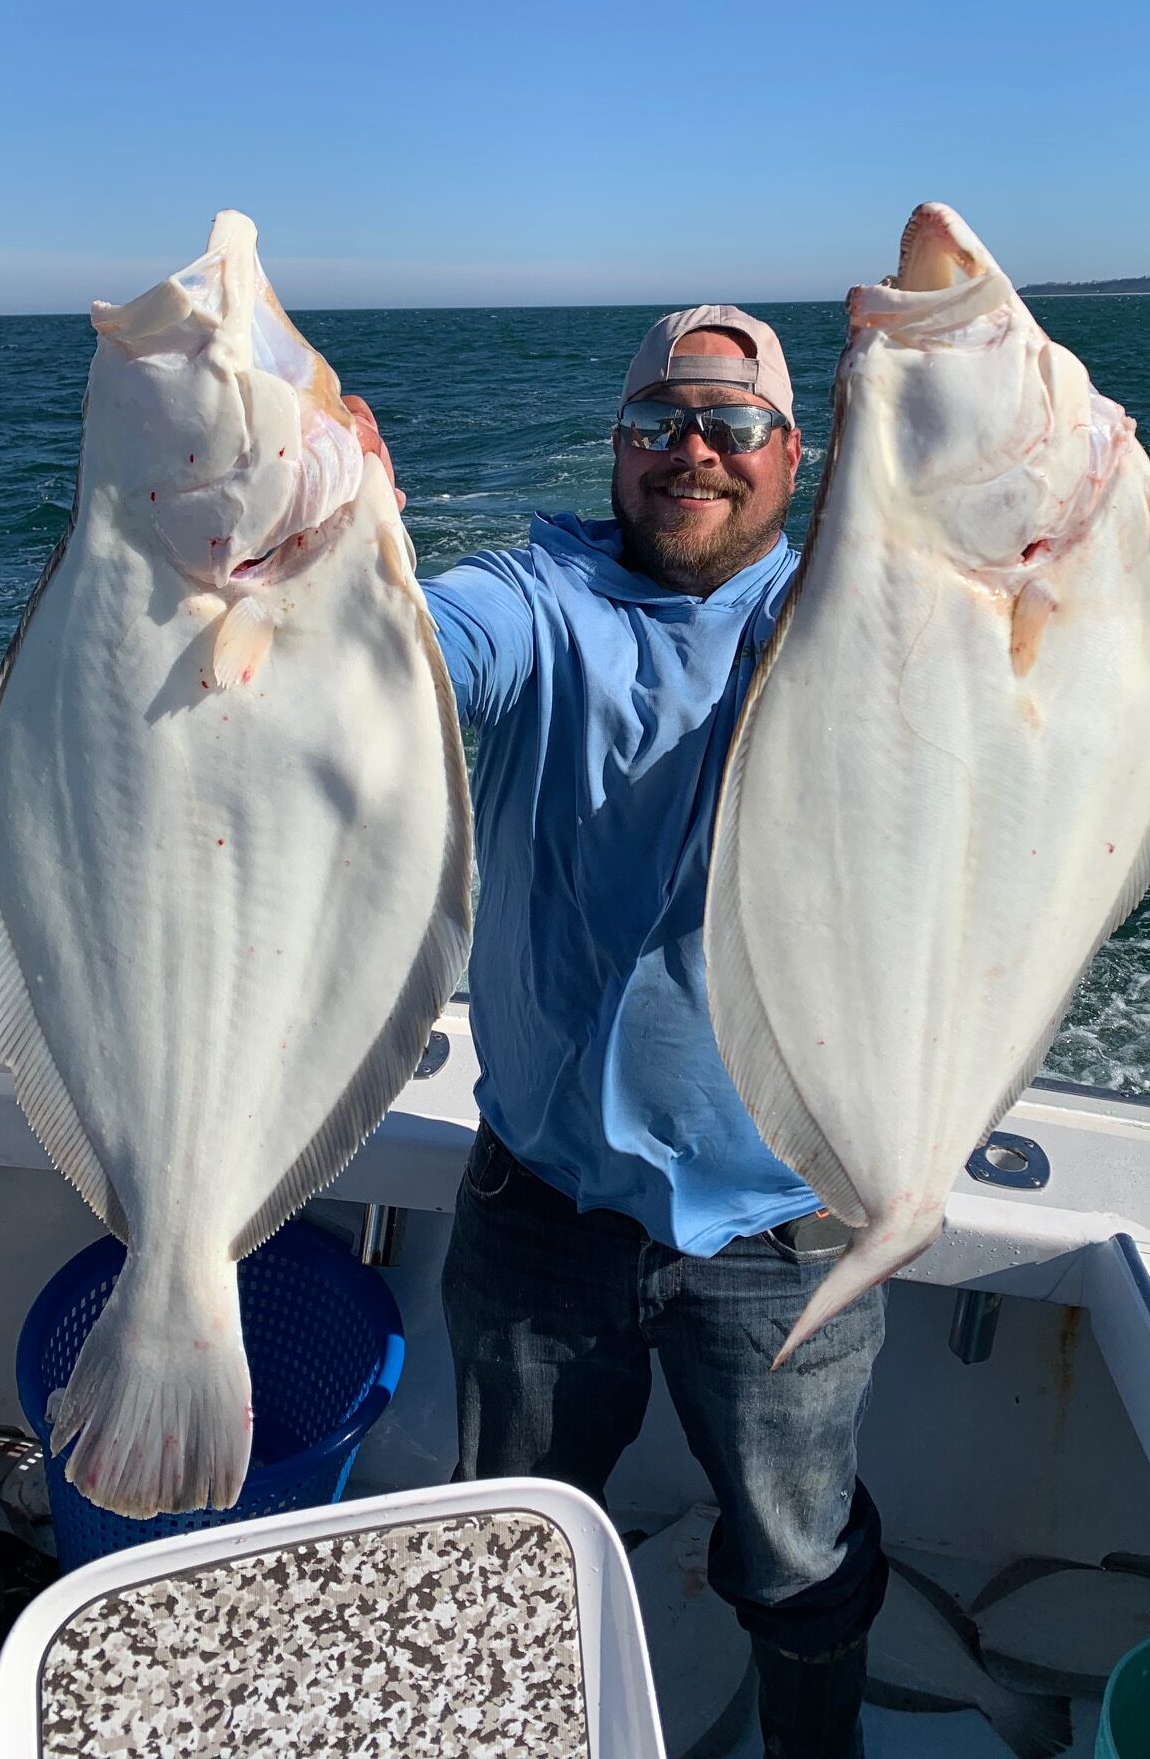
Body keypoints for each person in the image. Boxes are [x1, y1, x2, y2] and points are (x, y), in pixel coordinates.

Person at [350, 308, 886, 1759]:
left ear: (795, 452)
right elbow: (413, 654)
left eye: (729, 422)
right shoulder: (540, 593)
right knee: (506, 1553)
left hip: (790, 1229)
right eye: (659, 422)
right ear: (617, 449)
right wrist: (346, 562)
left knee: (801, 1565)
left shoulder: (850, 618)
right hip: (542, 1209)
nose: (692, 451)